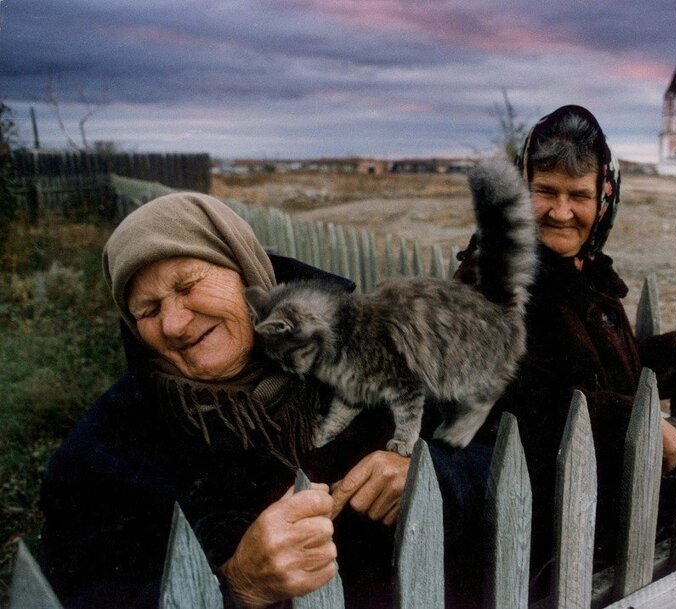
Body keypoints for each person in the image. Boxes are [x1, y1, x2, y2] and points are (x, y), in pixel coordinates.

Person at [38, 192, 484, 609]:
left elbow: (491, 456)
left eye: (187, 286)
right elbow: (87, 592)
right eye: (148, 310)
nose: (173, 323)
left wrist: (431, 474)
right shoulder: (103, 457)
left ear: (245, 271)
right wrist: (237, 585)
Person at [452, 104, 676, 602]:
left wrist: (672, 353)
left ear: (604, 198)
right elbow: (520, 399)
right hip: (540, 538)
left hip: (600, 516)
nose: (561, 212)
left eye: (579, 195)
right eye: (545, 191)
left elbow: (588, 369)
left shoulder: (583, 270)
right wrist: (634, 423)